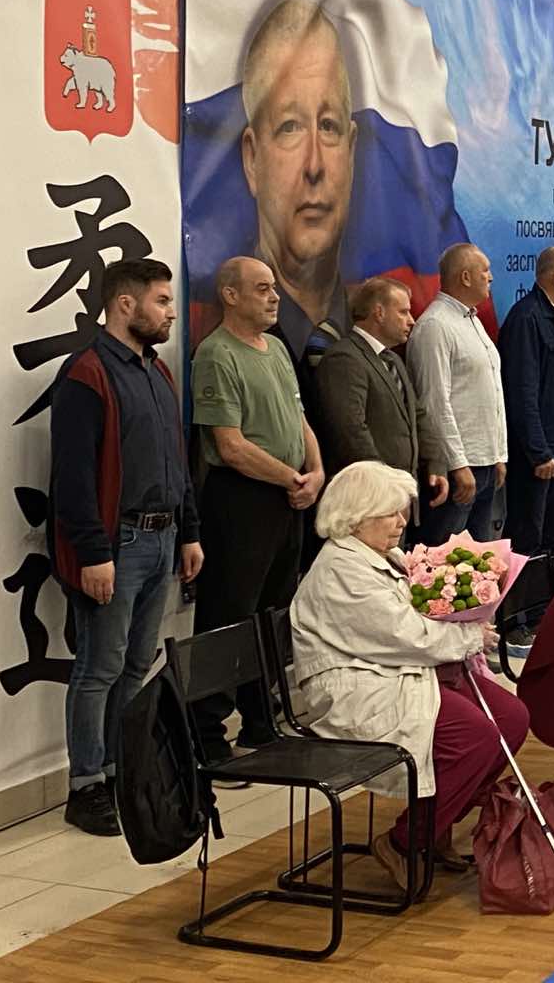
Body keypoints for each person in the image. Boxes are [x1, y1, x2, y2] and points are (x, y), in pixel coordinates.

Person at [291, 461, 527, 884]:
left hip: (397, 671)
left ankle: (437, 823)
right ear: (355, 517)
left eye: (402, 511)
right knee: (474, 736)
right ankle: (404, 841)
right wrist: (469, 636)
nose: (402, 522)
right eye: (391, 513)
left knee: (511, 718)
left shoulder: (383, 556)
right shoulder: (340, 569)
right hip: (359, 686)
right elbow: (405, 635)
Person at [49, 259, 203, 836]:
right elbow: (73, 477)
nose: (170, 313)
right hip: (119, 543)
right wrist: (94, 553)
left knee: (136, 664)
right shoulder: (87, 374)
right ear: (124, 305)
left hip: (162, 538)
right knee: (100, 667)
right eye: (162, 301)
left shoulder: (157, 372)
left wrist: (189, 531)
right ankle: (85, 785)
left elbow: (176, 462)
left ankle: (118, 770)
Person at [189, 256, 324, 763]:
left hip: (288, 499)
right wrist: (291, 478)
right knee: (228, 617)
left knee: (272, 614)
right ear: (230, 295)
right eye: (262, 288)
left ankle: (260, 721)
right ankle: (206, 735)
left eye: (274, 288)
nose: (274, 297)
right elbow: (230, 445)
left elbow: (299, 418)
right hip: (241, 500)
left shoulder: (278, 349)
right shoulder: (216, 354)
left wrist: (317, 472)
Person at [241, 0, 356, 375]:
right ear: (252, 159)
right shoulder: (219, 336)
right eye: (290, 127)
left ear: (351, 152)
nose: (314, 165)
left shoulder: (375, 329)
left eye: (328, 126)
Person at [314, 277, 448, 511]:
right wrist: (384, 483)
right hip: (368, 499)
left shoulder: (392, 359)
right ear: (379, 312)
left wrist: (436, 463)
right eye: (403, 312)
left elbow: (417, 415)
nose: (412, 320)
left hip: (399, 496)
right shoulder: (345, 358)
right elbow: (351, 429)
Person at [408, 243, 507, 545]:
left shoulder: (471, 320)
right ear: (465, 277)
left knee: (479, 562)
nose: (491, 277)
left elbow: (491, 393)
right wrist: (457, 464)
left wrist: (498, 454)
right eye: (485, 271)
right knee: (443, 561)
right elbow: (434, 403)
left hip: (484, 462)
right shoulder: (435, 326)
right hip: (458, 469)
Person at [500, 246, 554, 556]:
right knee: (528, 535)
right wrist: (538, 452)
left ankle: (550, 589)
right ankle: (525, 590)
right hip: (538, 452)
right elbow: (522, 392)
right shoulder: (527, 318)